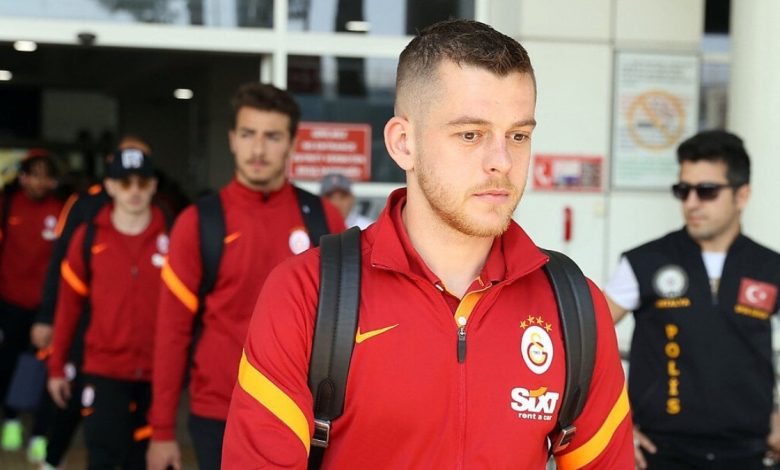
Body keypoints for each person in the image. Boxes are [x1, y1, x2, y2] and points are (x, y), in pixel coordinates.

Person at [222, 19, 633, 468]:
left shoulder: (574, 305)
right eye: (470, 134)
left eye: (518, 135)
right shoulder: (308, 292)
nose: (501, 162)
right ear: (403, 144)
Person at [147, 82, 345, 470]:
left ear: (292, 143)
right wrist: (162, 430)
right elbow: (171, 333)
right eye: (248, 134)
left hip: (302, 413)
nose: (258, 149)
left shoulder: (324, 219)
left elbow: (347, 326)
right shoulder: (199, 222)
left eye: (272, 136)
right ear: (232, 139)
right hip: (218, 412)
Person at [604, 129, 780, 469]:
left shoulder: (769, 267)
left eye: (707, 191)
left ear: (742, 195)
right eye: (683, 190)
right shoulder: (644, 262)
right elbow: (582, 341)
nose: (692, 203)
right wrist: (614, 425)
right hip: (661, 454)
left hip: (748, 455)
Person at [32, 136, 151, 470]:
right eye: (125, 171)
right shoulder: (84, 207)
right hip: (88, 328)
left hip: (140, 355)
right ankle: (49, 456)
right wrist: (46, 317)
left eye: (142, 164)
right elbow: (61, 267)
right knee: (72, 400)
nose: (134, 184)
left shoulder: (164, 221)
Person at [0, 149, 62, 461]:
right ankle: (10, 420)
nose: (39, 181)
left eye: (45, 176)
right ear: (22, 178)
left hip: (46, 309)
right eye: (33, 175)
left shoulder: (60, 211)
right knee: (7, 365)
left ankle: (39, 434)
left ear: (53, 181)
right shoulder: (7, 205)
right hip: (9, 303)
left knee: (42, 370)